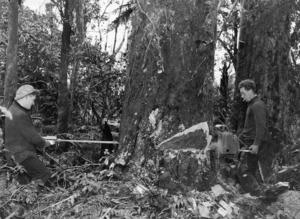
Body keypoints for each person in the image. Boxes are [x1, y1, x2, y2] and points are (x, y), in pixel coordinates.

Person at [5, 85, 52, 185]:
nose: (33, 103)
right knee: (44, 174)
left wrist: (41, 139)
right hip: (21, 155)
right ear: (26, 97)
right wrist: (46, 142)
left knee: (25, 180)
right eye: (32, 100)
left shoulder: (13, 110)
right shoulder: (19, 114)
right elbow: (32, 137)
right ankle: (31, 196)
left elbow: (24, 133)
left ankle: (22, 196)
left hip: (13, 154)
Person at [237, 79, 273, 196]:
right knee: (250, 171)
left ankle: (259, 196)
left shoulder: (257, 105)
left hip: (255, 144)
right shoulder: (251, 105)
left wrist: (256, 144)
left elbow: (261, 127)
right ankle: (258, 194)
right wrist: (235, 140)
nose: (242, 97)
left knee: (242, 170)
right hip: (250, 143)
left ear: (250, 90)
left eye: (243, 93)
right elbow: (248, 129)